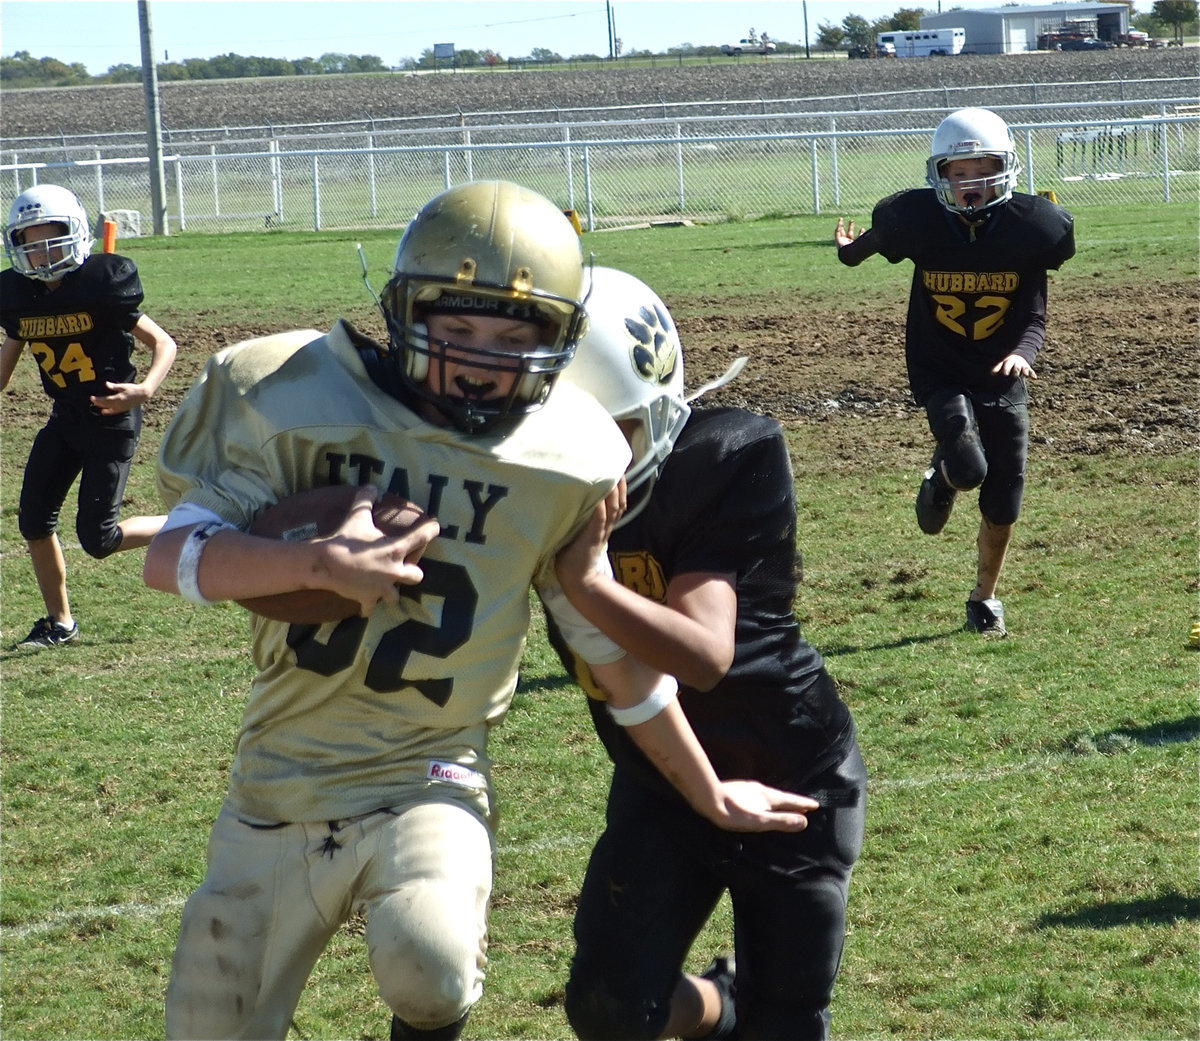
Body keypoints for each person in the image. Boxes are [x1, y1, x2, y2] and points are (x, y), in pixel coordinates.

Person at [141, 181, 812, 1041]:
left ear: (558, 339)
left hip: (432, 770)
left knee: (434, 960)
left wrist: (709, 790)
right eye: (455, 328)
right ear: (406, 313)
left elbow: (612, 663)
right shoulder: (287, 394)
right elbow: (172, 556)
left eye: (512, 334)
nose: (480, 357)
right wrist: (312, 563)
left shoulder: (571, 455)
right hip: (280, 778)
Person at [548, 266, 867, 1040]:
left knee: (786, 1023)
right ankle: (720, 1010)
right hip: (659, 771)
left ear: (657, 407)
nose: (581, 458)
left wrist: (588, 580)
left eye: (606, 433)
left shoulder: (729, 452)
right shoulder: (533, 484)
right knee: (609, 1008)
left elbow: (702, 653)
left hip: (785, 766)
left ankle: (748, 1013)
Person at [834, 107, 1075, 637]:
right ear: (940, 175)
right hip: (938, 364)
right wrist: (849, 252)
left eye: (982, 168)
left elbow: (1035, 311)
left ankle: (984, 598)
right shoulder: (914, 220)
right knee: (968, 467)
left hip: (1001, 371)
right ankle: (943, 476)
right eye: (958, 173)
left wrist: (1024, 355)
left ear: (1006, 167)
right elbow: (864, 251)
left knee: (1004, 498)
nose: (971, 183)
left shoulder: (1032, 228)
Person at [1, 183, 177, 651]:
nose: (41, 254)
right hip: (65, 419)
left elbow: (164, 343)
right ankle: (60, 623)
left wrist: (144, 390)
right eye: (30, 244)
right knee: (34, 522)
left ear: (74, 234)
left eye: (50, 240)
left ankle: (189, 522)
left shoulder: (101, 285)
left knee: (98, 539)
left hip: (111, 420)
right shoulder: (20, 298)